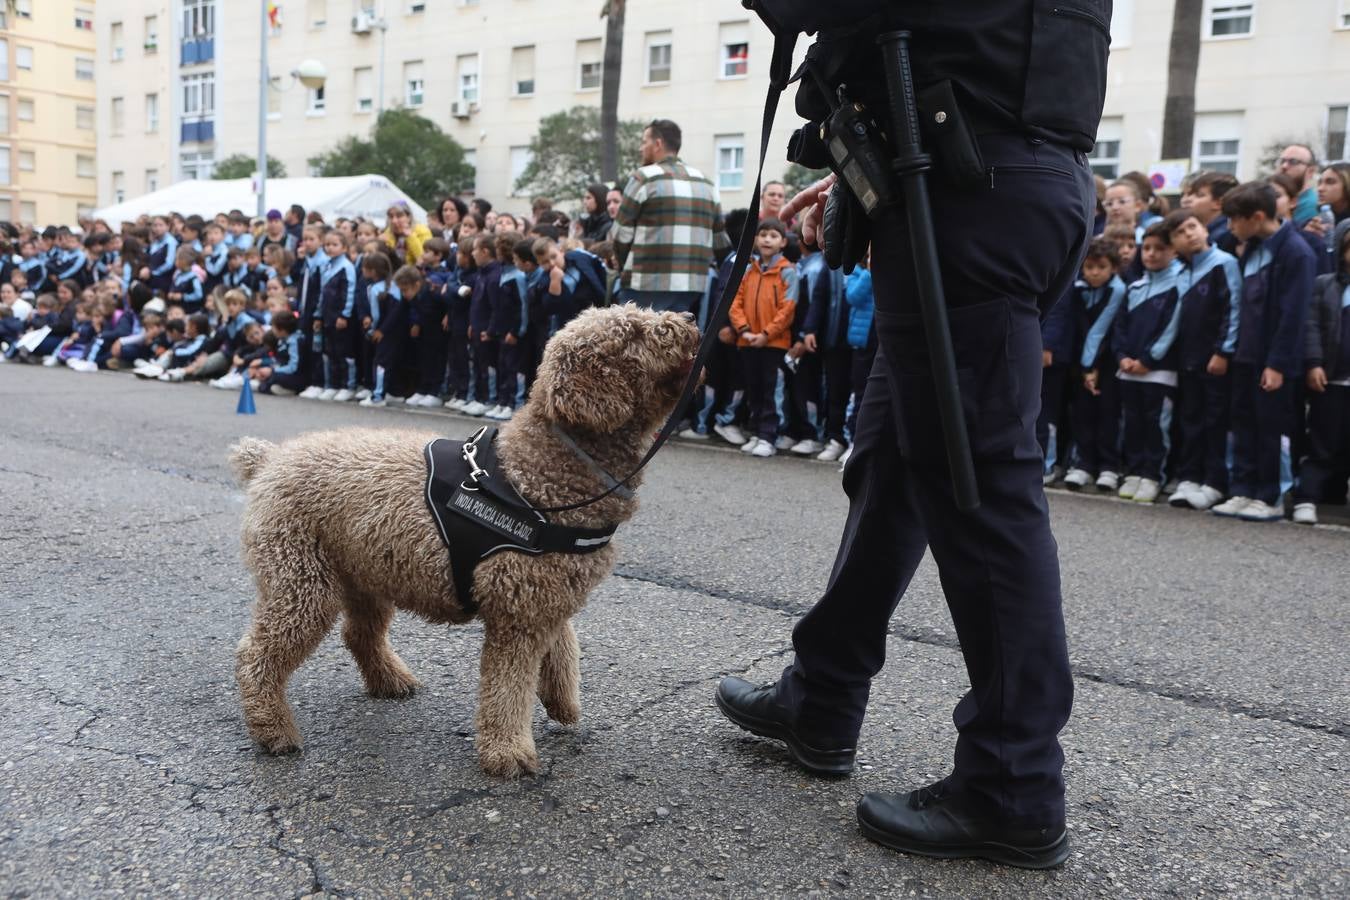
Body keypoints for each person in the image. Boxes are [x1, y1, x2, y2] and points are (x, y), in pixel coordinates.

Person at [715, 0, 1103, 869]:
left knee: (981, 493)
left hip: (964, 191)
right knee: (891, 463)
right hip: (985, 175)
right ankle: (822, 694)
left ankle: (1014, 786)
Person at [1212, 182, 1316, 522]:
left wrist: (1277, 363)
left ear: (1256, 217)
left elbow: (1293, 314)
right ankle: (1243, 488)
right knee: (1243, 424)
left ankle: (1269, 494)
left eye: (1234, 220)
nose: (1229, 227)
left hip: (1272, 360)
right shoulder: (1252, 247)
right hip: (1245, 352)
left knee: (1270, 427)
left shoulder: (1295, 252)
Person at [1161, 209, 1242, 511]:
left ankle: (1214, 482)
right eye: (1180, 232)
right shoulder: (1182, 272)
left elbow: (1233, 309)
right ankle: (1190, 476)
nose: (1190, 234)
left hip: (1214, 361)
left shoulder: (1225, 264)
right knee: (1190, 420)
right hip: (1188, 361)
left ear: (1205, 229)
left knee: (1214, 422)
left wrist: (1223, 351)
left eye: (1193, 227)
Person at [613, 119, 730, 313]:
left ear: (657, 144)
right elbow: (720, 241)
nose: (641, 148)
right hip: (692, 285)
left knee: (636, 342)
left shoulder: (644, 177)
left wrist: (624, 269)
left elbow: (620, 234)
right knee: (675, 341)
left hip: (645, 283)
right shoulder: (707, 183)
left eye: (644, 142)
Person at [1110, 221, 1181, 504]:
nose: (1151, 254)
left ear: (1174, 252)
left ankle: (1153, 475)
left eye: (1159, 249)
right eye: (1147, 248)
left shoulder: (1177, 286)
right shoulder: (1135, 286)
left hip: (1159, 373)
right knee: (1133, 423)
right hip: (1129, 371)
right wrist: (1122, 356)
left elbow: (1171, 329)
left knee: (1156, 425)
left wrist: (1149, 359)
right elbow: (1120, 326)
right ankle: (1135, 470)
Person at [1056, 240, 1127, 491]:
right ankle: (1084, 464)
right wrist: (1084, 368)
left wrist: (1091, 367)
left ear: (1114, 268)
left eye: (1101, 267)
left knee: (1108, 414)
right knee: (1082, 414)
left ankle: (1108, 466)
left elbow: (1101, 331)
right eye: (1089, 267)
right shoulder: (1077, 289)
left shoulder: (1117, 291)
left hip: (1106, 364)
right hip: (1081, 363)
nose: (1094, 272)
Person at [1292, 227, 1350, 525]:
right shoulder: (1325, 285)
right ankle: (1307, 497)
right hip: (1332, 377)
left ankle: (1335, 493)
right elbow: (1311, 326)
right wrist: (1314, 363)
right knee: (1322, 440)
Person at [728, 219, 798, 458]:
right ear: (756, 239)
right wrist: (744, 330)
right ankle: (757, 432)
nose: (767, 239)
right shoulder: (748, 270)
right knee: (753, 389)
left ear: (783, 242)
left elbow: (788, 309)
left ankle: (770, 436)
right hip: (747, 340)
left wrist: (766, 334)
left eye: (773, 236)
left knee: (771, 390)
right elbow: (734, 302)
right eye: (763, 235)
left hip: (774, 344)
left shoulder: (788, 271)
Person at [1275, 143, 1320, 226]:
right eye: (1282, 161)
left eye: (1293, 162)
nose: (1284, 166)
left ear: (1311, 171)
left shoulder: (1311, 206)